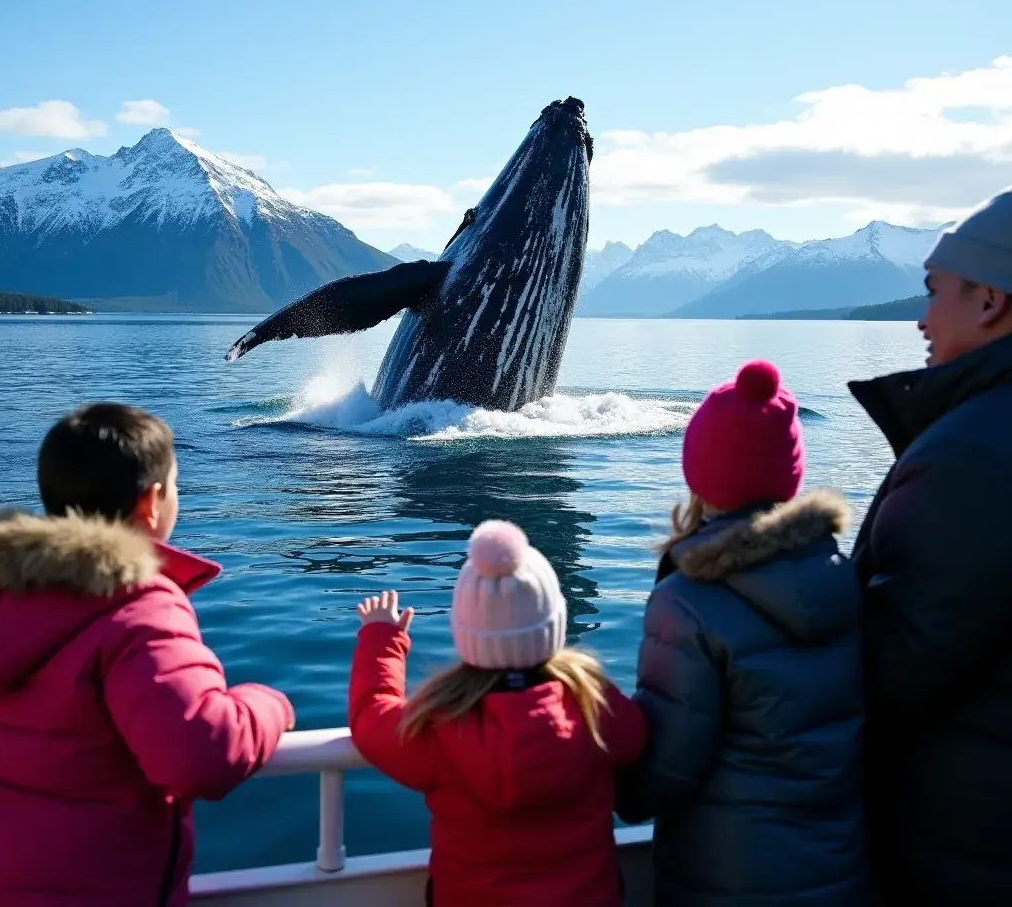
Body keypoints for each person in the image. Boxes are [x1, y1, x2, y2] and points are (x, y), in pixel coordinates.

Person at [0, 403, 295, 907]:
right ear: (153, 503)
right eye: (177, 486)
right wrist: (268, 704)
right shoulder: (138, 604)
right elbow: (201, 755)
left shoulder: (2, 598)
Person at [616, 360, 869, 906]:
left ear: (699, 475)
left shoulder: (687, 602)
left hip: (725, 876)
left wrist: (614, 786)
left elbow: (667, 768)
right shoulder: (845, 576)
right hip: (844, 869)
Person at [848, 189, 1012, 906]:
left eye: (934, 291)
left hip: (964, 849)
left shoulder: (971, 457)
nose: (920, 318)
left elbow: (896, 669)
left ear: (989, 301)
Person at [348, 519, 647, 907]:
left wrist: (382, 638)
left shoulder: (439, 731)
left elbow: (370, 717)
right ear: (553, 626)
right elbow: (638, 735)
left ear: (464, 631)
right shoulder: (594, 710)